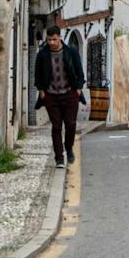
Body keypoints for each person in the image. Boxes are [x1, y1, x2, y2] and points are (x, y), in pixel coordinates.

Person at [33, 28, 85, 168]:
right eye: (49, 40)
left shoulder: (71, 52)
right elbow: (37, 74)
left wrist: (78, 89)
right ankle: (59, 158)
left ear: (60, 38)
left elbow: (80, 72)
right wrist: (41, 91)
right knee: (56, 127)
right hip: (51, 96)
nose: (52, 42)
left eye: (54, 39)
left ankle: (68, 148)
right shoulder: (42, 55)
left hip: (70, 94)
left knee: (70, 124)